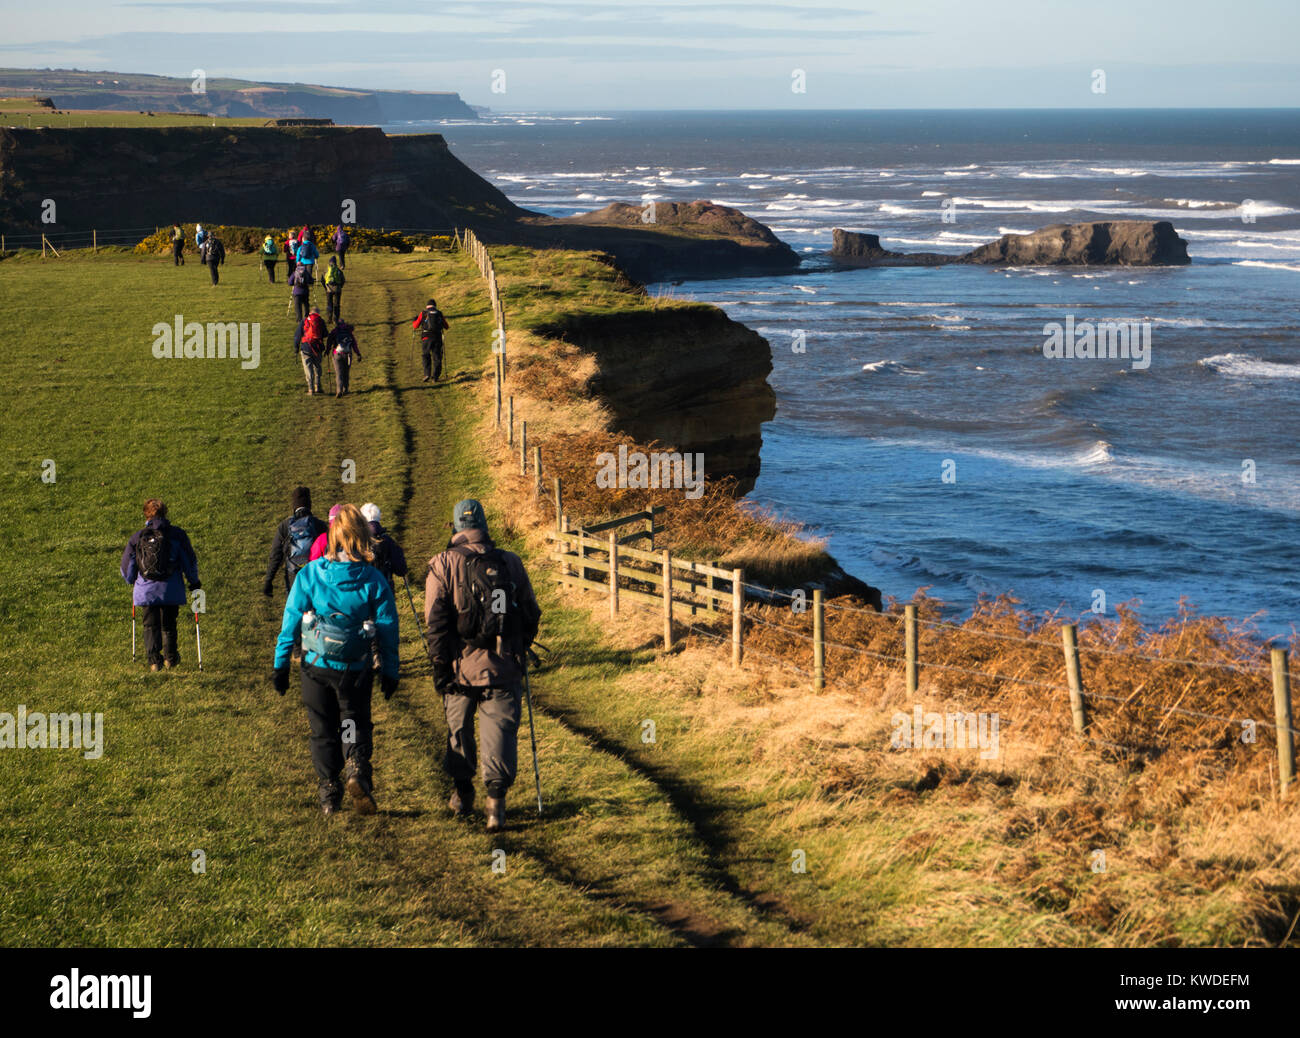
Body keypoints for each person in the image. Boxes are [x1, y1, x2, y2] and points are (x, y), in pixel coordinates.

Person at [273, 504, 399, 816]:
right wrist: (390, 670)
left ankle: (330, 791)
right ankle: (356, 770)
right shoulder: (372, 579)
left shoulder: (310, 574)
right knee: (352, 722)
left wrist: (280, 664)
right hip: (355, 667)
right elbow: (387, 627)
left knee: (323, 729)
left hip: (316, 665)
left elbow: (290, 621)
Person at [425, 498, 541, 832]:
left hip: (460, 667)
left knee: (458, 729)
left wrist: (440, 666)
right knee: (500, 730)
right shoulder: (510, 561)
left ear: (456, 528)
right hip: (503, 665)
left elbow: (435, 621)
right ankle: (496, 807)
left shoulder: (442, 564)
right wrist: (518, 648)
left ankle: (462, 793)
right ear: (484, 525)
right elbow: (531, 613)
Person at [120, 498, 201, 672]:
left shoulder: (138, 537)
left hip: (146, 590)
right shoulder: (178, 535)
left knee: (150, 625)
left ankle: (154, 661)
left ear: (146, 514)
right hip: (171, 589)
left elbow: (127, 567)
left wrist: (131, 580)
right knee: (169, 624)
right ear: (165, 512)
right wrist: (194, 582)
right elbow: (189, 561)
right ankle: (170, 659)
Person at [361, 502, 407, 670]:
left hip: (365, 590)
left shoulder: (360, 542)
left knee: (368, 621)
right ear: (378, 518)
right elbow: (401, 570)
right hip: (386, 588)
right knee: (385, 621)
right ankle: (387, 657)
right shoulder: (388, 541)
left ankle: (372, 655)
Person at [262, 486, 329, 599]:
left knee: (295, 609)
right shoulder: (320, 525)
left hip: (293, 574)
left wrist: (269, 580)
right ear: (310, 504)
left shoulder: (285, 525)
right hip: (315, 574)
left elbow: (276, 555)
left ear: (294, 505)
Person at [412, 298, 450, 383]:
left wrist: (414, 320)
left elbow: (415, 326)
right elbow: (446, 326)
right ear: (435, 306)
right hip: (437, 338)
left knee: (426, 355)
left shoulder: (423, 313)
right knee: (437, 357)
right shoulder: (439, 313)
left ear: (427, 306)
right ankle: (435, 376)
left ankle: (427, 374)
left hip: (426, 338)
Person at [326, 317, 361, 398]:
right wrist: (358, 354)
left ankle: (339, 390)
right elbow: (354, 344)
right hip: (348, 354)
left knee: (339, 373)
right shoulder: (349, 332)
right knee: (346, 372)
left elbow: (329, 341)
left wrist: (327, 351)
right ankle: (346, 389)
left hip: (337, 354)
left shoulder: (335, 331)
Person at [298, 307, 327, 395]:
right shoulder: (321, 321)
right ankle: (318, 386)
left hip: (306, 348)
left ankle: (311, 389)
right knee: (317, 367)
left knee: (308, 368)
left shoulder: (305, 321)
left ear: (310, 313)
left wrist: (296, 347)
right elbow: (326, 334)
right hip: (317, 348)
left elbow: (297, 335)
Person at [322, 255, 345, 322]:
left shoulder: (326, 270)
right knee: (337, 304)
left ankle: (329, 319)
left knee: (329, 304)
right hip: (337, 289)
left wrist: (326, 287)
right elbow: (343, 280)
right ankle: (336, 319)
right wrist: (340, 286)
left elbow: (322, 280)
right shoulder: (339, 271)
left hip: (329, 289)